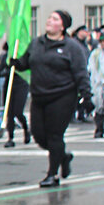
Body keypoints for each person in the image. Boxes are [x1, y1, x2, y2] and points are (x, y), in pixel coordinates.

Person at [11, 10, 93, 188]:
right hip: (39, 96)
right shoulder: (36, 43)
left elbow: (81, 73)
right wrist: (16, 63)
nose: (49, 20)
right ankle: (63, 156)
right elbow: (26, 62)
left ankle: (52, 174)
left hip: (62, 96)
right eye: (49, 17)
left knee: (55, 135)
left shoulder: (72, 47)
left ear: (62, 26)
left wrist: (86, 96)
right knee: (39, 136)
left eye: (54, 19)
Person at [0, 43, 30, 148]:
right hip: (9, 85)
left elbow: (25, 68)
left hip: (21, 85)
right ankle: (10, 138)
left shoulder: (22, 54)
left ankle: (26, 128)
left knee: (18, 111)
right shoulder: (6, 55)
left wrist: (17, 63)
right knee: (9, 112)